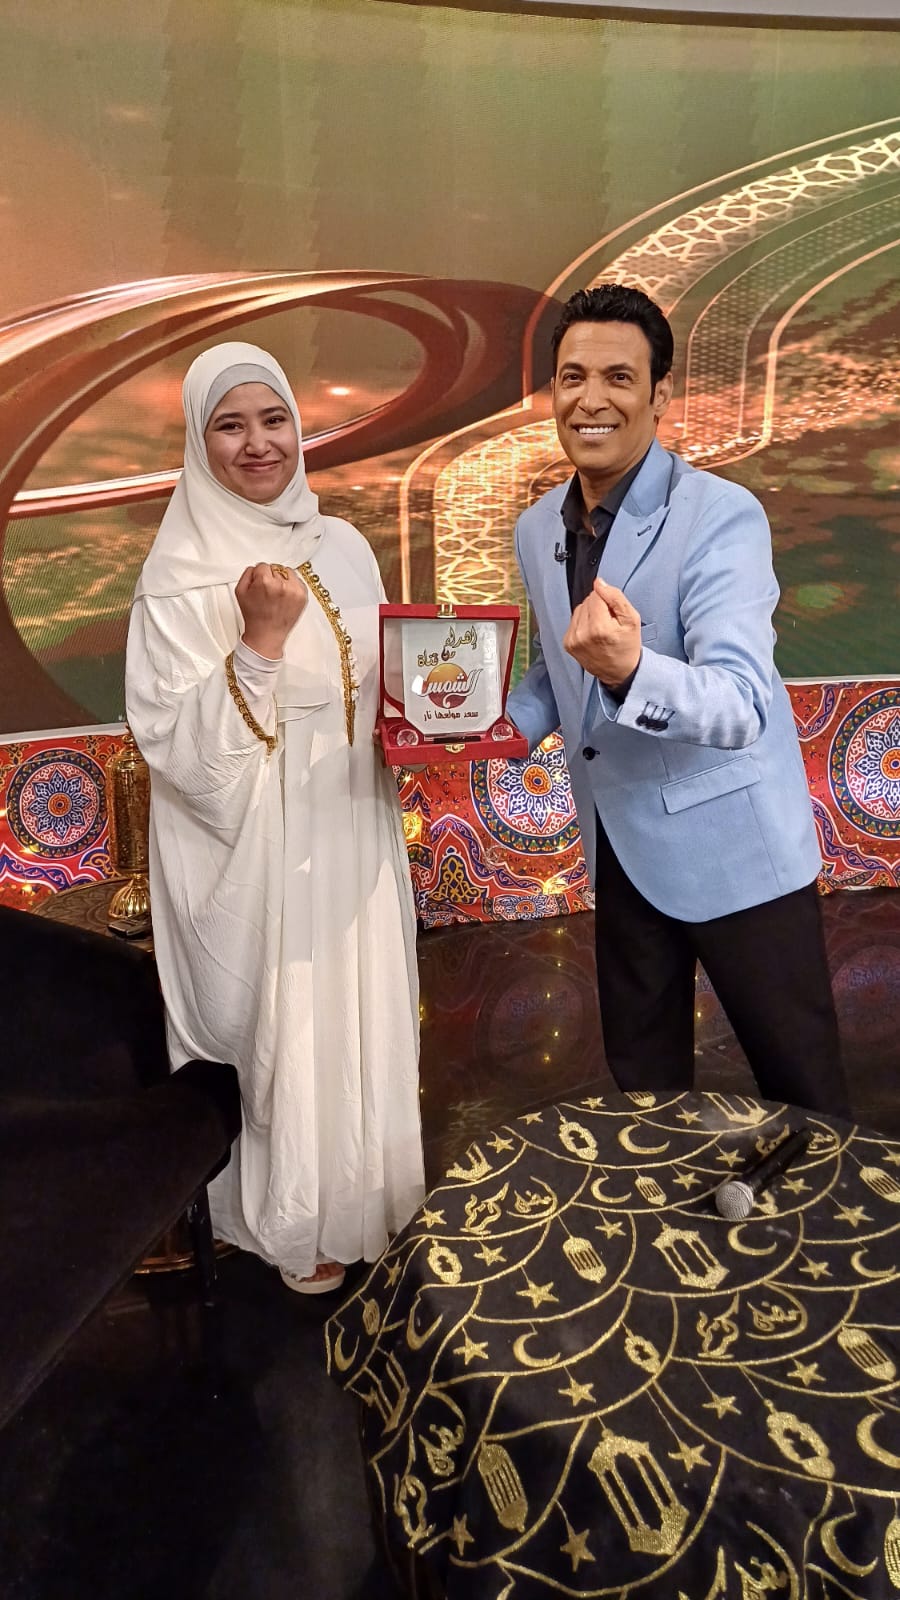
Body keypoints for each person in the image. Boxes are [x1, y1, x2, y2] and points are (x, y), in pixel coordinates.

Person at [126, 341, 425, 1293]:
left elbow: (379, 680)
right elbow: (178, 748)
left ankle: (368, 1194)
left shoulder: (343, 546)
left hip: (348, 817)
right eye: (230, 425)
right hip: (255, 841)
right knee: (285, 1024)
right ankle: (295, 1220)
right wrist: (258, 642)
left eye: (274, 420)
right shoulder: (179, 577)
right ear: (197, 441)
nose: (259, 443)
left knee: (358, 1004)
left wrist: (435, 720)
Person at [507, 285, 849, 1115]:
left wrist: (632, 672)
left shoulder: (721, 516)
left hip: (738, 854)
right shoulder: (536, 527)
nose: (591, 400)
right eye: (573, 377)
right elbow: (562, 669)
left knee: (804, 1094)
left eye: (619, 378)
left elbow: (741, 706)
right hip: (618, 844)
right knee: (644, 1095)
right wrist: (489, 727)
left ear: (661, 395)